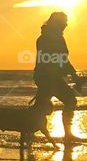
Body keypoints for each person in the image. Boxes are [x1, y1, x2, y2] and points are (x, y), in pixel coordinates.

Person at [33, 12, 83, 141]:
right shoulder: (50, 38)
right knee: (70, 100)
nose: (66, 25)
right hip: (48, 77)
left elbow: (62, 59)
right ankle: (67, 135)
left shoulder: (48, 37)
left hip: (45, 77)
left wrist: (72, 74)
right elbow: (59, 59)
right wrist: (72, 75)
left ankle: (28, 133)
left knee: (40, 106)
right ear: (57, 23)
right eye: (63, 22)